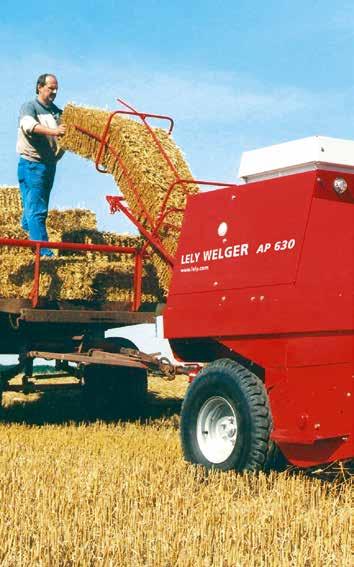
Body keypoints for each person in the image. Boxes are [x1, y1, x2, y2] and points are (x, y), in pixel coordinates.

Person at [16, 73, 66, 256]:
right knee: (38, 210)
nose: (54, 91)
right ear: (39, 87)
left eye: (56, 89)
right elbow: (29, 126)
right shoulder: (30, 107)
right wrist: (54, 131)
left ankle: (26, 230)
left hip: (48, 165)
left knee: (33, 210)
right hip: (31, 164)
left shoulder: (57, 112)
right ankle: (43, 254)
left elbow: (68, 133)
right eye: (50, 88)